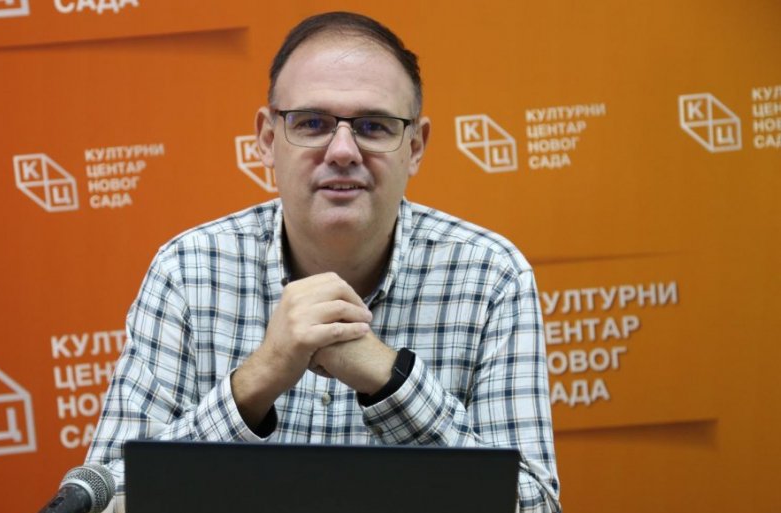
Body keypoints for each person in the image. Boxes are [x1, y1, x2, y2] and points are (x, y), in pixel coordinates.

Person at [86, 11, 560, 513]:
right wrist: (257, 380)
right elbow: (105, 500)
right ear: (267, 140)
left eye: (373, 126)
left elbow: (535, 505)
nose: (342, 151)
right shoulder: (189, 270)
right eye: (312, 123)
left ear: (415, 147)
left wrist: (393, 381)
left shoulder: (490, 276)